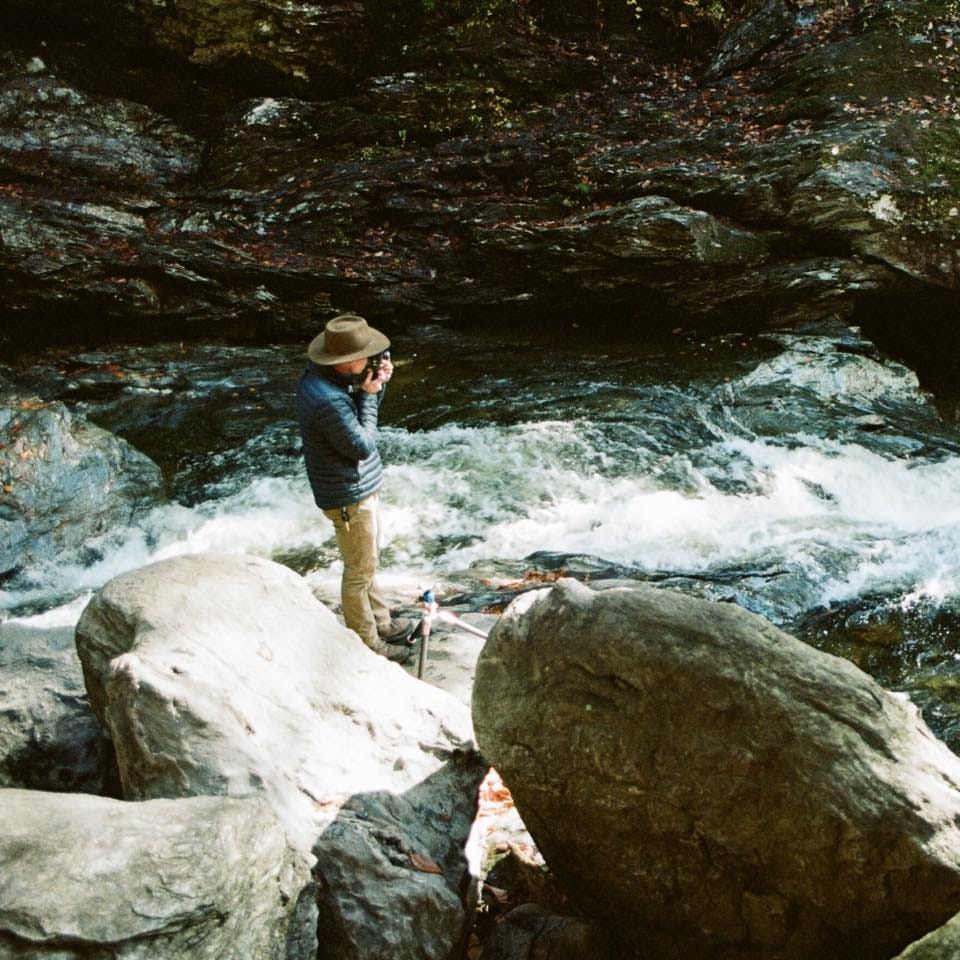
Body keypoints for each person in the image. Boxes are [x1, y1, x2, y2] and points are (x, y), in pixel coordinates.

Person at [296, 314, 413, 662]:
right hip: (349, 495)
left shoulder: (325, 378)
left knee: (368, 562)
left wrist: (374, 386)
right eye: (367, 357)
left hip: (355, 487)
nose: (372, 360)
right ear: (347, 361)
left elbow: (358, 418)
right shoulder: (327, 399)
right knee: (359, 572)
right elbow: (362, 444)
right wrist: (371, 394)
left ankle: (382, 622)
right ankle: (367, 643)